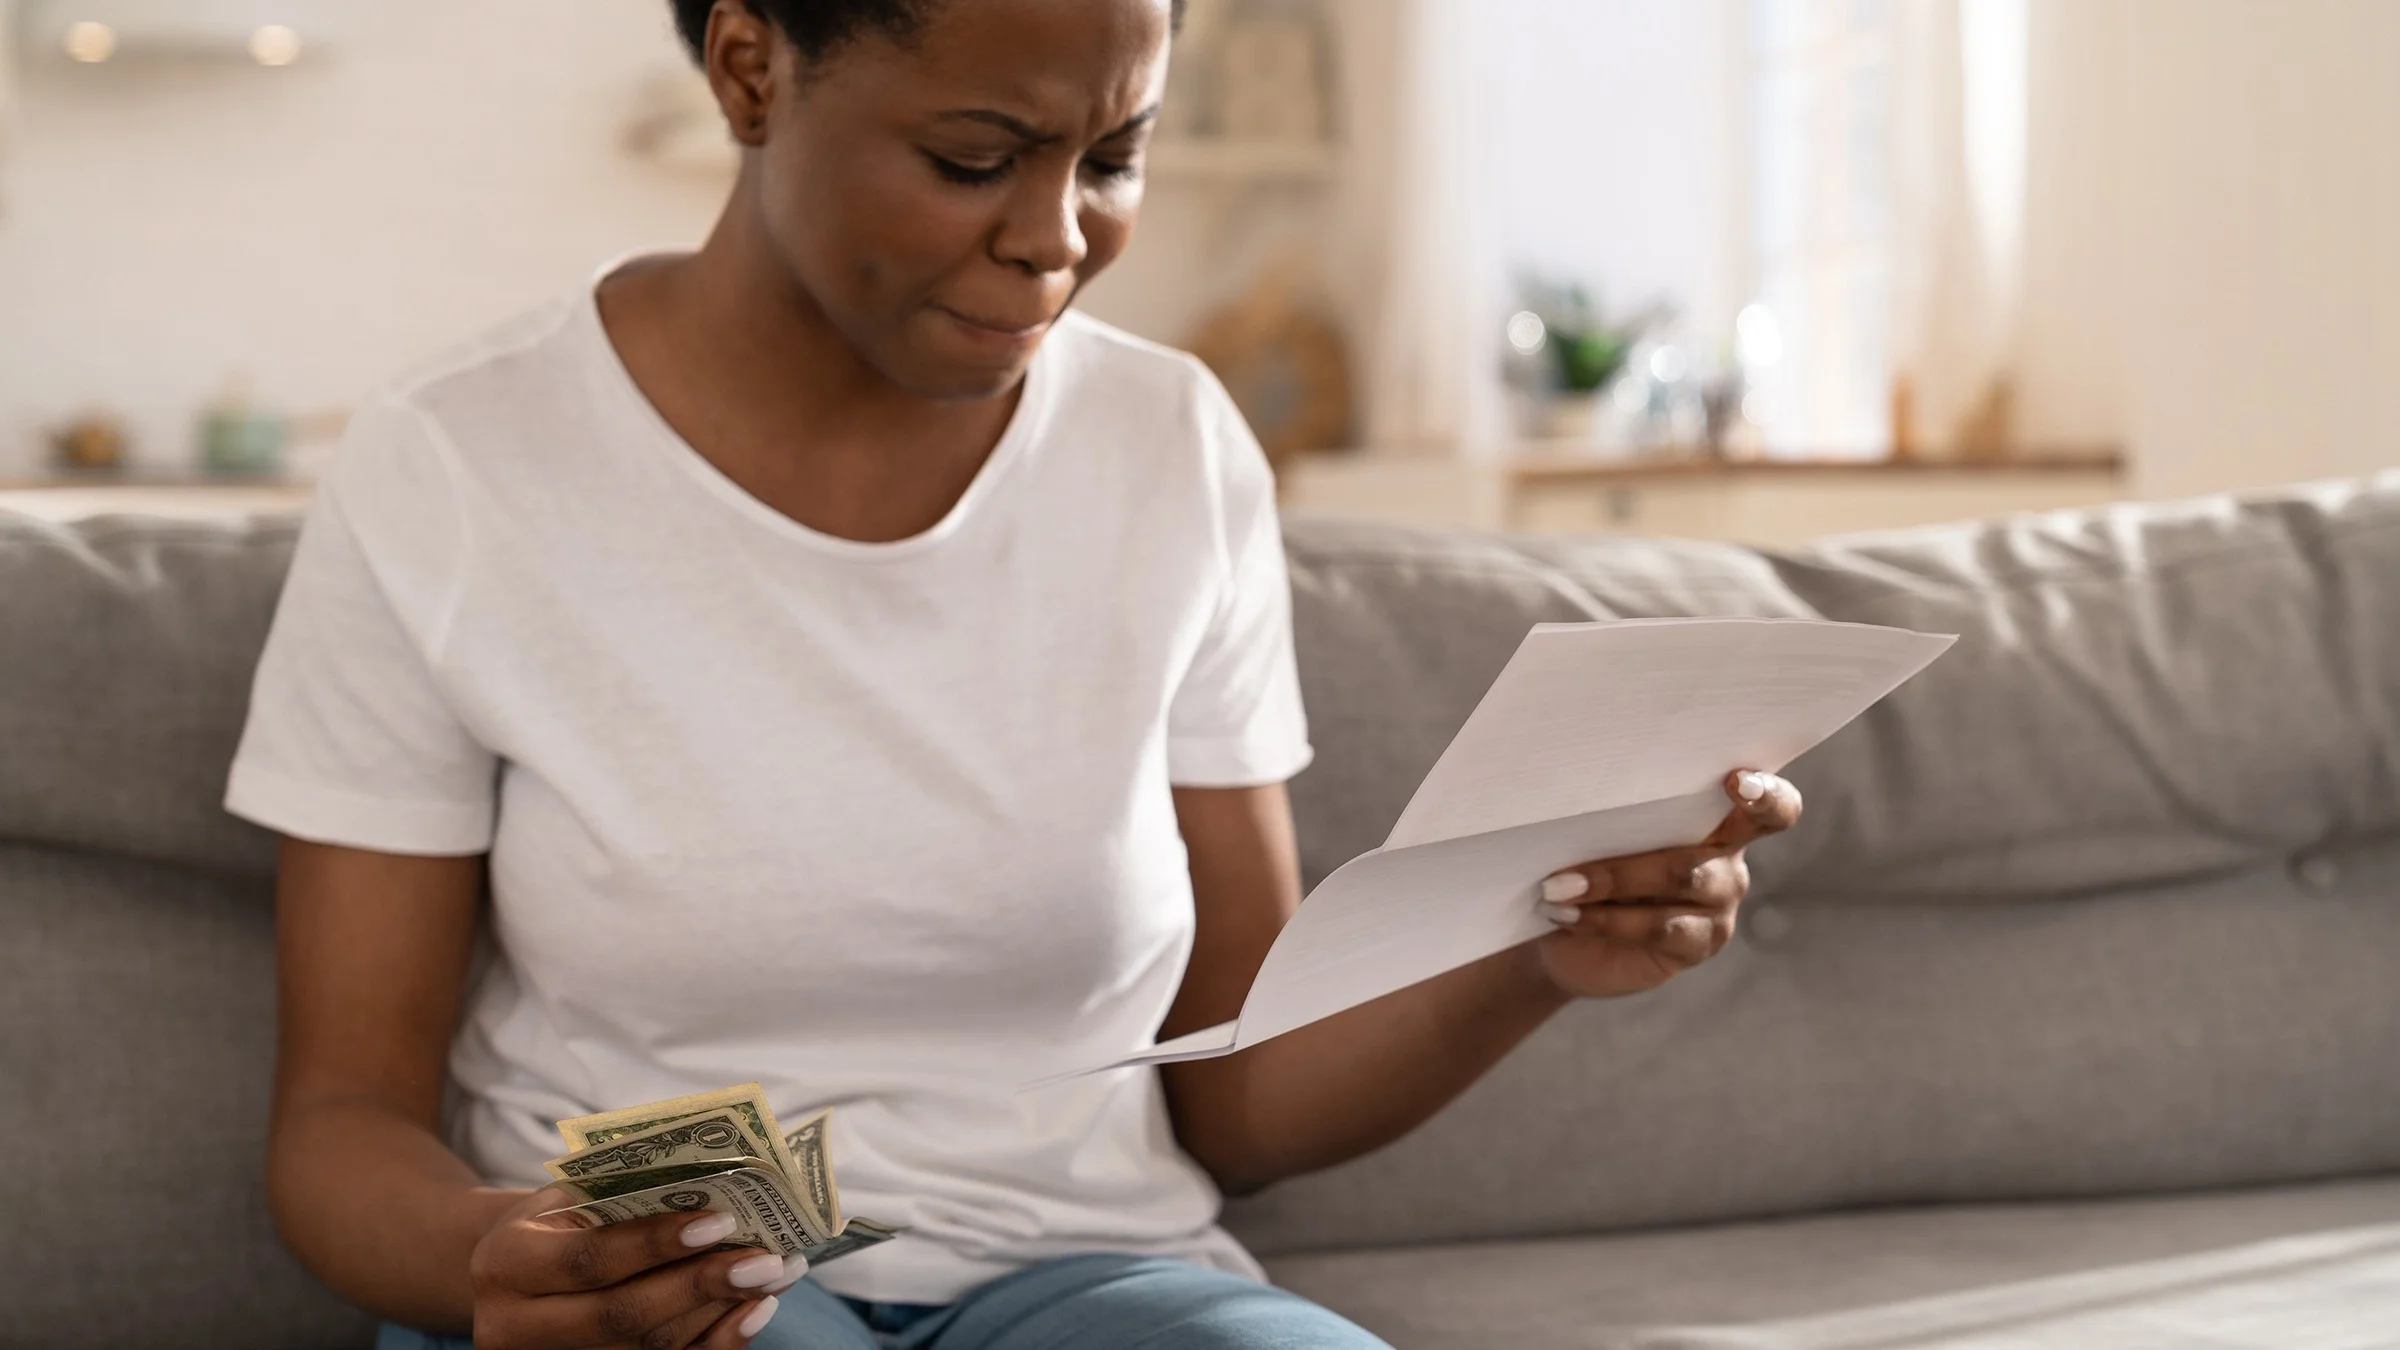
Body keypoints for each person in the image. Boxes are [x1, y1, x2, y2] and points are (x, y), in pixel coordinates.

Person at [227, 2, 1803, 1347]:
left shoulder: (1170, 447)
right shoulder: (460, 464)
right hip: (677, 1289)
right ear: (751, 70)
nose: (1056, 237)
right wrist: (499, 1257)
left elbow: (1236, 1097)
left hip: (1087, 1275)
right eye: (975, 158)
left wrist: (1533, 948)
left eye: (1112, 157)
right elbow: (343, 1120)